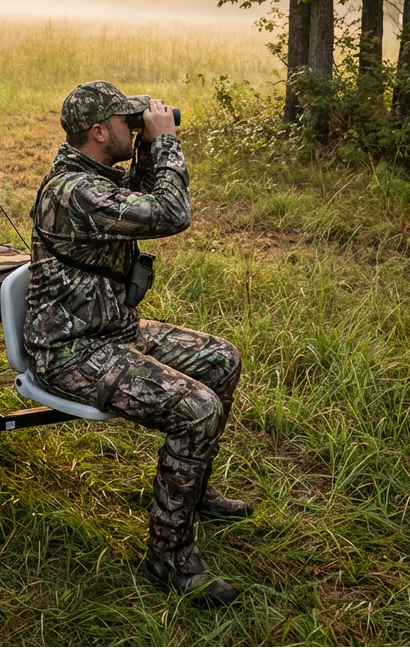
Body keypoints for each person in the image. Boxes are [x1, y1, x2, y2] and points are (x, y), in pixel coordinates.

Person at [24, 80, 251, 606]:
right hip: (70, 348)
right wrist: (167, 141)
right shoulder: (74, 191)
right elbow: (169, 213)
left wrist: (148, 146)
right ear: (99, 132)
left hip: (110, 327)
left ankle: (189, 493)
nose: (137, 125)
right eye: (129, 122)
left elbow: (142, 197)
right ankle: (168, 559)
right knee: (196, 409)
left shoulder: (95, 176)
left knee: (221, 360)